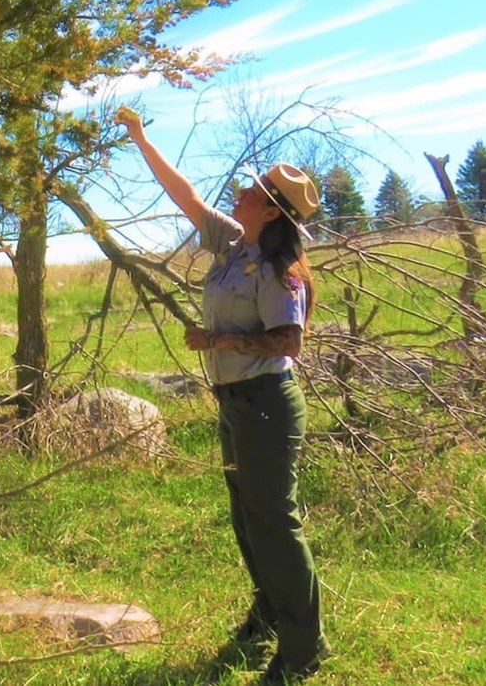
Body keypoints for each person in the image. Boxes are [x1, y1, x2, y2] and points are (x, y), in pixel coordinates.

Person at [115, 106, 330, 684]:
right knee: (247, 518)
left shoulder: (278, 268)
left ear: (270, 209)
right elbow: (184, 195)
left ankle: (303, 649)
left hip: (266, 402)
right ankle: (267, 616)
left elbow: (289, 340)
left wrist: (218, 338)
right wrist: (139, 137)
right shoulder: (235, 243)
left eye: (252, 190)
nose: (240, 192)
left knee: (275, 523)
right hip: (235, 403)